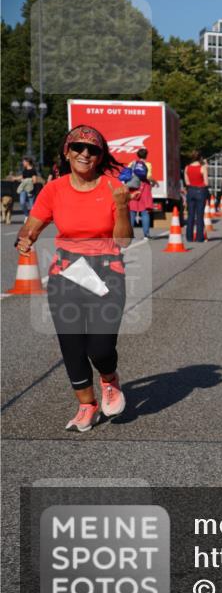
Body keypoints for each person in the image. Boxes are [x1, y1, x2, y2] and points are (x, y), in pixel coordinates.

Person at [15, 125, 135, 431]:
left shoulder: (113, 188)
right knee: (71, 345)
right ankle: (87, 405)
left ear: (100, 156)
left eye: (92, 149)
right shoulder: (54, 189)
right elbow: (32, 225)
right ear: (67, 152)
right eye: (78, 147)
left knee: (100, 349)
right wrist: (25, 238)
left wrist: (122, 206)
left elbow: (123, 240)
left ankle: (109, 379)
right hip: (67, 273)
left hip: (107, 273)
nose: (85, 153)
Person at [128, 148, 156, 241]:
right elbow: (148, 176)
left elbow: (128, 174)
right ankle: (146, 235)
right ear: (146, 155)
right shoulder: (148, 164)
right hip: (144, 188)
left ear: (138, 155)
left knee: (131, 211)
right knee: (145, 211)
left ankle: (130, 235)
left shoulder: (132, 163)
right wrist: (154, 182)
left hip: (133, 187)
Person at [184, 151, 209, 243]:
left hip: (190, 191)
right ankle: (199, 237)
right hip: (200, 191)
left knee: (190, 215)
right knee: (199, 215)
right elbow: (206, 183)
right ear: (200, 158)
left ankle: (189, 237)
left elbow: (187, 182)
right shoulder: (202, 167)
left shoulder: (187, 167)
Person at [17, 156, 40, 221]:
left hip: (30, 190)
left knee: (32, 205)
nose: (23, 163)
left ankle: (32, 218)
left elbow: (35, 180)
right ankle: (26, 215)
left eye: (24, 162)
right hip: (23, 189)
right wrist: (15, 178)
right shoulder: (24, 170)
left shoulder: (33, 170)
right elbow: (22, 177)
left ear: (27, 162)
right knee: (22, 202)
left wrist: (27, 181)